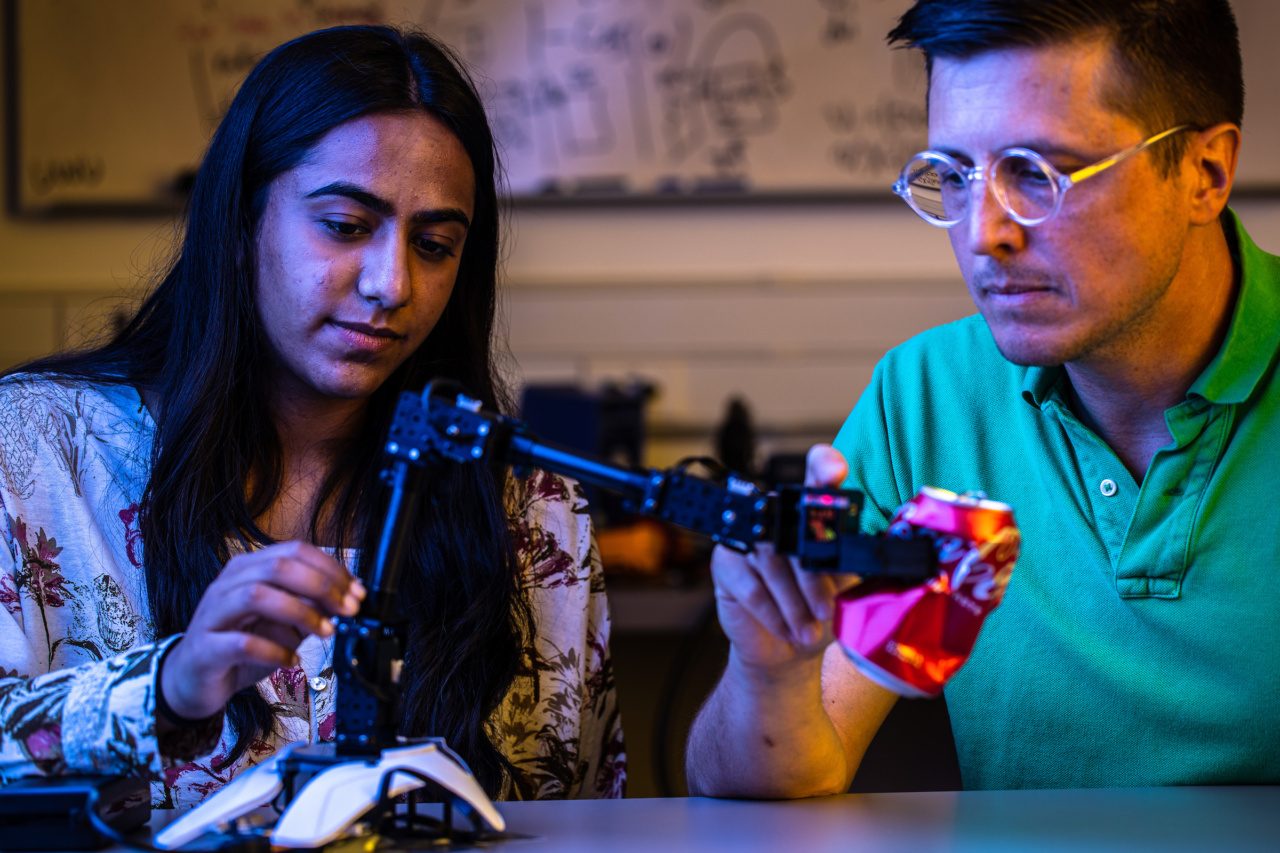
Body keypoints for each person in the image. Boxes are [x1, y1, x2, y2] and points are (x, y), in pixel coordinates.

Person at [0, 25, 624, 808]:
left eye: (434, 245)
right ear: (239, 224)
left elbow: (587, 805)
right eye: (345, 226)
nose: (391, 284)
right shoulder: (31, 452)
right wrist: (174, 683)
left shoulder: (531, 509)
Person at [687, 0, 1280, 796]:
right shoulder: (925, 396)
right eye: (956, 176)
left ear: (1204, 173)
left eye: (1038, 173)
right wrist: (770, 673)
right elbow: (784, 775)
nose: (982, 233)